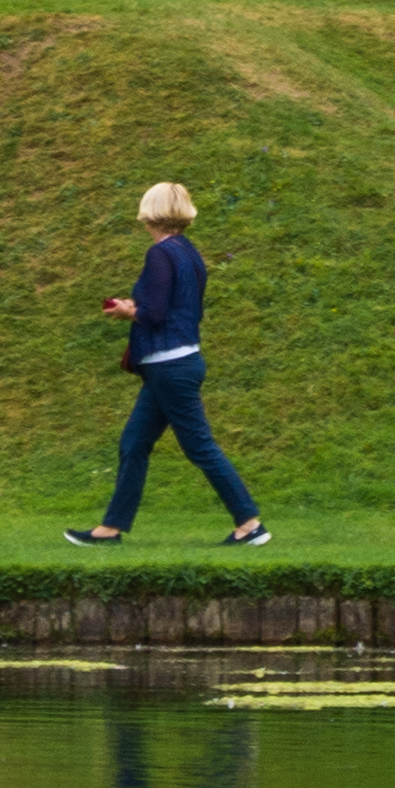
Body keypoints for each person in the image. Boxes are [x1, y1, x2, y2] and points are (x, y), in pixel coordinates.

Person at [65, 179, 269, 547]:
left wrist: (127, 311)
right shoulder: (189, 252)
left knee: (199, 446)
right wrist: (138, 308)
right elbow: (177, 307)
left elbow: (155, 313)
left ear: (151, 214)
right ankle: (111, 529)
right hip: (178, 361)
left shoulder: (159, 254)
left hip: (169, 365)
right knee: (133, 443)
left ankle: (250, 524)